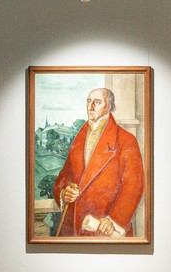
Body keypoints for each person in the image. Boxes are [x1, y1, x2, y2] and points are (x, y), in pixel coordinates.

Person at [52, 87, 144, 237]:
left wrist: (113, 220)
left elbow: (134, 185)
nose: (91, 105)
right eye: (89, 101)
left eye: (97, 102)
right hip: (74, 227)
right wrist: (64, 193)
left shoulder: (126, 140)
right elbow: (64, 177)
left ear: (108, 106)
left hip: (103, 227)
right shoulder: (78, 138)